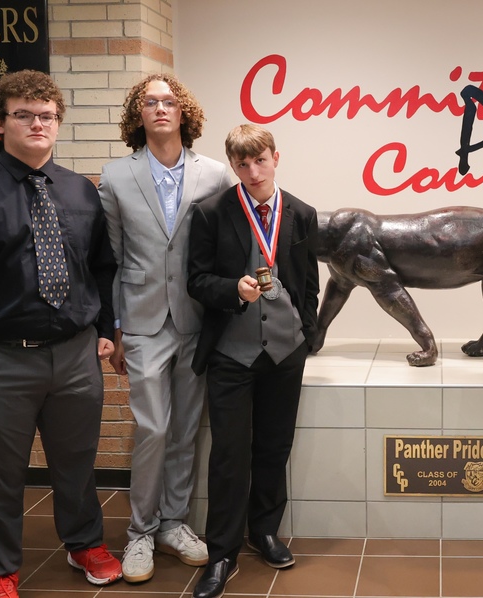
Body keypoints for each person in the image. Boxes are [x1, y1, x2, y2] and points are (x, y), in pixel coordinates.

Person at [0, 70, 122, 598]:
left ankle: (84, 544)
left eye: (47, 116)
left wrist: (104, 329)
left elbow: (101, 266)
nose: (38, 124)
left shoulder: (80, 191)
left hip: (76, 357)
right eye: (25, 115)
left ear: (58, 123)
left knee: (77, 463)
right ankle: (1, 570)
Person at [99, 74, 233, 583]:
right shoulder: (115, 176)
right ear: (138, 114)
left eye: (169, 101)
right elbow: (110, 259)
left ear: (184, 113)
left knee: (184, 430)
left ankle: (174, 524)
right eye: (150, 102)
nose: (160, 109)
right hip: (142, 321)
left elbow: (221, 248)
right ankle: (139, 533)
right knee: (153, 427)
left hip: (196, 319)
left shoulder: (215, 174)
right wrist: (115, 328)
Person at [186, 124, 319, 598]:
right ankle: (221, 553)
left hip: (286, 352)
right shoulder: (211, 214)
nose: (252, 171)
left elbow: (308, 283)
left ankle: (263, 530)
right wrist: (231, 290)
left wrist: (307, 333)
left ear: (275, 157)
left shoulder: (302, 213)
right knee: (228, 455)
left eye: (260, 160)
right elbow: (197, 281)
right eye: (242, 164)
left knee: (273, 447)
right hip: (231, 355)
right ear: (233, 166)